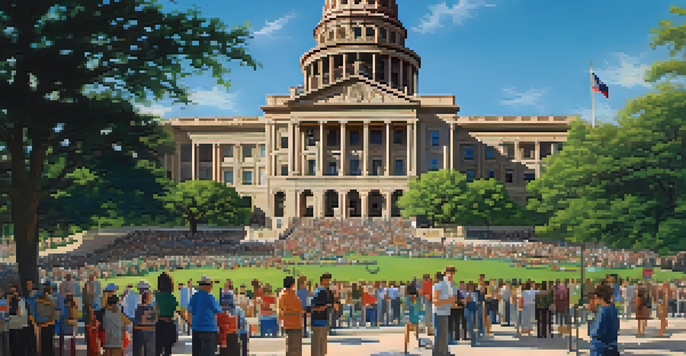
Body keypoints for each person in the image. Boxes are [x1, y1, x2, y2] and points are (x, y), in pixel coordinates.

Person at [188, 275, 222, 356]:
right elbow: (218, 310)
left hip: (196, 329)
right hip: (208, 330)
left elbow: (190, 310)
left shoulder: (194, 297)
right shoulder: (210, 297)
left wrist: (191, 324)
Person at [589, 284, 620, 356]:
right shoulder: (613, 309)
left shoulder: (603, 310)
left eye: (595, 298)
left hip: (601, 348)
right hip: (612, 346)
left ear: (601, 298)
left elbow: (596, 331)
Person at [278, 276, 303, 356]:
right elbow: (299, 308)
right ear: (292, 285)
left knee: (290, 348)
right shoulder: (293, 296)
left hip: (287, 325)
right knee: (296, 349)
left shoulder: (282, 295)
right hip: (296, 325)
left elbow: (280, 310)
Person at [433, 266, 455, 356]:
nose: (452, 275)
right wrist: (448, 301)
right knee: (439, 334)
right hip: (439, 312)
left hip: (445, 312)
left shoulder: (450, 285)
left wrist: (451, 302)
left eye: (453, 273)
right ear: (445, 273)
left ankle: (444, 351)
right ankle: (438, 352)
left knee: (444, 334)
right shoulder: (439, 285)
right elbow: (435, 301)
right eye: (450, 273)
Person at [310, 273, 334, 356]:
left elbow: (332, 303)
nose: (328, 282)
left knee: (323, 346)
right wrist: (323, 307)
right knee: (316, 346)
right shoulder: (318, 291)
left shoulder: (328, 292)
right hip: (317, 320)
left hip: (325, 321)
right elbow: (313, 306)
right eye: (327, 280)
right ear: (323, 280)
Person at [156, 272, 179, 356]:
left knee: (157, 350)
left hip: (158, 324)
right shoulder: (171, 297)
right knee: (167, 350)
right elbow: (176, 309)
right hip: (169, 324)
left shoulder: (156, 295)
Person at [133, 281, 156, 356]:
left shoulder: (138, 308)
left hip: (140, 331)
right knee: (150, 351)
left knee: (138, 350)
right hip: (150, 331)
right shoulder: (152, 308)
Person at [35, 282, 57, 356]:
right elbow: (54, 312)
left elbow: (37, 312)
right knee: (49, 342)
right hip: (50, 323)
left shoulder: (38, 300)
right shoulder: (52, 300)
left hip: (41, 323)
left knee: (43, 342)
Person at [404, 288, 422, 354]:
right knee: (408, 332)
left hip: (412, 317)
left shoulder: (408, 300)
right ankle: (406, 347)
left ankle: (406, 347)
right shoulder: (416, 300)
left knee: (408, 332)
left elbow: (406, 309)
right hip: (413, 317)